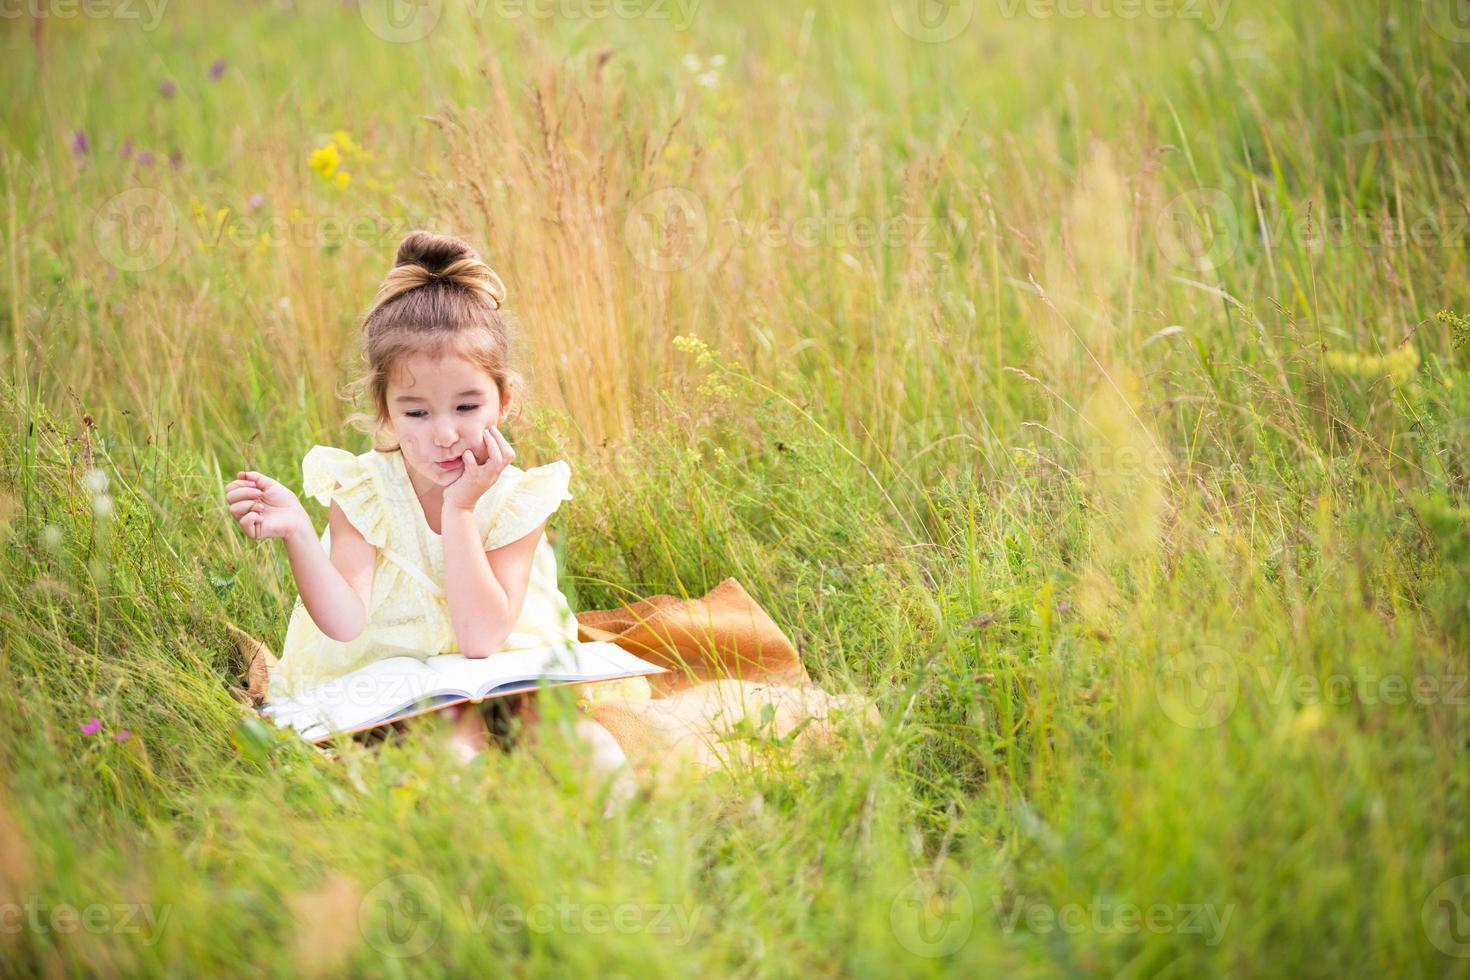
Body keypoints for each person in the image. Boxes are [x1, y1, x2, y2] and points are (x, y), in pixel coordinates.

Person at [222, 230, 643, 800]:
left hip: (504, 668)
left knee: (577, 742)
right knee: (450, 748)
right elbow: (345, 621)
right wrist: (298, 531)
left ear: (505, 399)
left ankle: (628, 844)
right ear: (386, 412)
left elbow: (480, 639)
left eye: (468, 406)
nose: (444, 434)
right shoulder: (362, 490)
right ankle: (481, 863)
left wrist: (462, 508)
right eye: (415, 411)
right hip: (404, 680)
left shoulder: (517, 496)